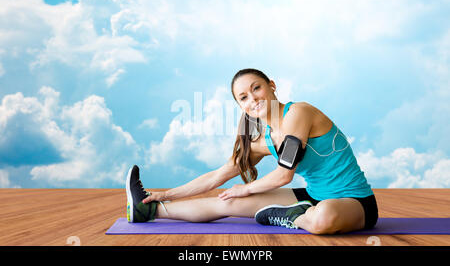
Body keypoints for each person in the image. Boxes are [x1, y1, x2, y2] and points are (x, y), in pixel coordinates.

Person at [125, 68, 378, 234]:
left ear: (272, 86)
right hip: (312, 196)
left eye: (256, 88)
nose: (253, 99)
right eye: (243, 97)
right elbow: (216, 177)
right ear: (241, 106)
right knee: (228, 202)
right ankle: (147, 210)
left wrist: (245, 188)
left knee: (324, 220)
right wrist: (165, 194)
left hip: (354, 201)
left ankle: (292, 216)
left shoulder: (299, 112)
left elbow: (284, 175)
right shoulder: (263, 142)